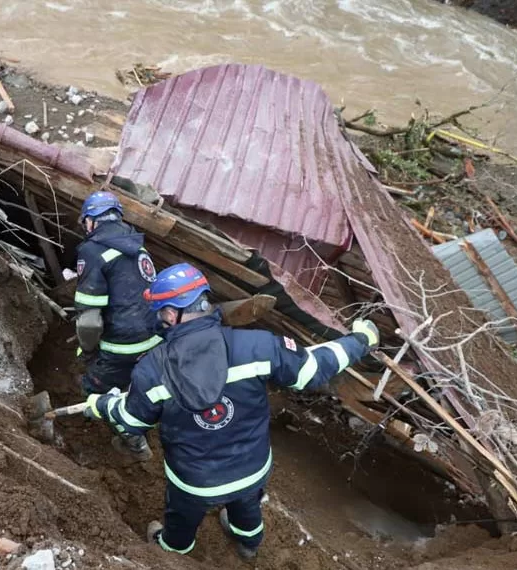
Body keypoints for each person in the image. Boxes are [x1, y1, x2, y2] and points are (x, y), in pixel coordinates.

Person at [83, 263, 379, 559]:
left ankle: (173, 551)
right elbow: (313, 369)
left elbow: (132, 421)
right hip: (252, 469)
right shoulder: (258, 345)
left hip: (194, 481)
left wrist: (103, 405)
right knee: (247, 505)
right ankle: (249, 543)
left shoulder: (152, 370)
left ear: (172, 315)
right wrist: (360, 340)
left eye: (161, 313)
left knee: (181, 517)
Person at [74, 190, 163, 462]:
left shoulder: (92, 251)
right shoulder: (137, 246)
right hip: (155, 338)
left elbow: (89, 321)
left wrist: (89, 351)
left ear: (91, 221)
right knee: (139, 384)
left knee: (93, 388)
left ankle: (134, 444)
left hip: (123, 343)